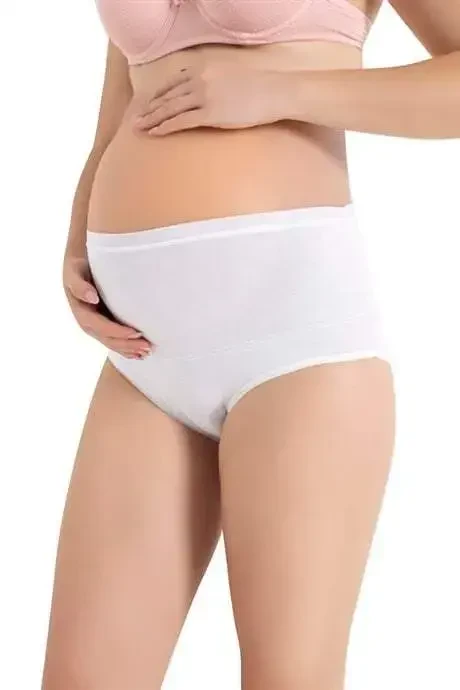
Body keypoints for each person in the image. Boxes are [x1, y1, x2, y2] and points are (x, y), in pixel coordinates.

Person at [41, 2, 460, 689]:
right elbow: (132, 83)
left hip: (293, 344)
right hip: (144, 356)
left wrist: (283, 92)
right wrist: (78, 233)